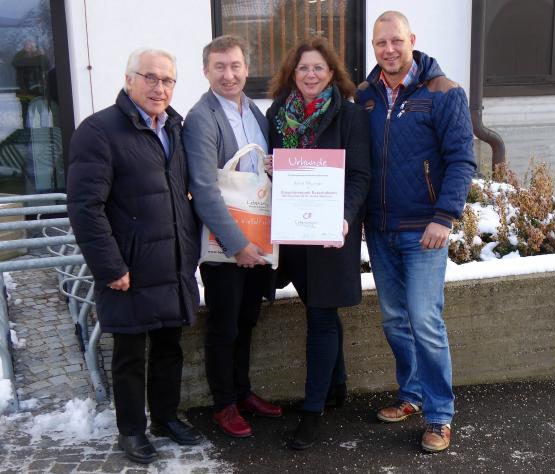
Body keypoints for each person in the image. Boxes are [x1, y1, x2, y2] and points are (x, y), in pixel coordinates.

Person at [67, 48, 203, 465]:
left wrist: (189, 251)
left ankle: (164, 417)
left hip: (172, 262)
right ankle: (131, 429)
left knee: (169, 347)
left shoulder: (174, 128)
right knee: (129, 354)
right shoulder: (99, 130)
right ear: (129, 80)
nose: (160, 88)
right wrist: (110, 266)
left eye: (168, 80)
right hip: (127, 268)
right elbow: (85, 207)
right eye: (151, 78)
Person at [356, 11, 476, 453]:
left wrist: (444, 217)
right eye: (379, 43)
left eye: (395, 41)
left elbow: (463, 160)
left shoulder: (443, 92)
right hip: (381, 229)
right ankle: (410, 395)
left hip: (425, 231)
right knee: (393, 318)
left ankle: (440, 415)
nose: (388, 49)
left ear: (411, 40)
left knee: (425, 320)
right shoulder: (365, 95)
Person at [266, 37, 371, 450]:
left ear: (332, 74)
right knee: (318, 308)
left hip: (331, 234)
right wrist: (273, 167)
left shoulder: (349, 116)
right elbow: (272, 173)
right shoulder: (277, 114)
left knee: (322, 317)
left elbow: (359, 175)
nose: (311, 74)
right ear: (293, 73)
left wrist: (345, 218)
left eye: (319, 68)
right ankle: (336, 387)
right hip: (293, 233)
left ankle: (312, 412)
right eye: (303, 68)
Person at [183, 35, 282, 439]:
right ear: (206, 71)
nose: (229, 74)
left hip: (257, 238)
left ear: (246, 68)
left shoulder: (254, 112)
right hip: (224, 245)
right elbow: (204, 189)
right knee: (224, 326)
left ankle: (243, 392)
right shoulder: (201, 118)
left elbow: (257, 173)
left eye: (236, 66)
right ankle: (224, 404)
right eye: (220, 67)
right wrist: (236, 245)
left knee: (247, 319)